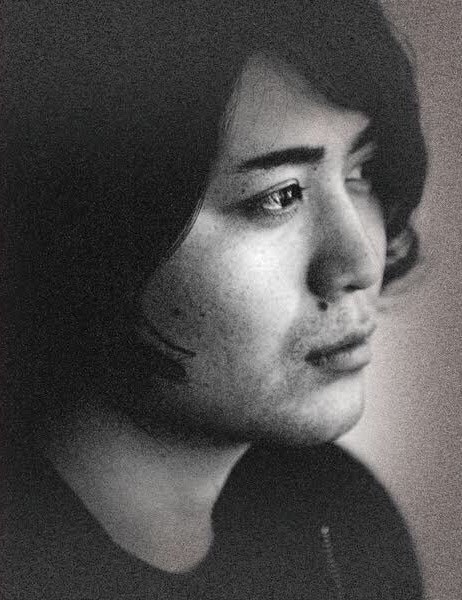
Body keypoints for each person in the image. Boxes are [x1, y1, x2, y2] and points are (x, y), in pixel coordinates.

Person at [1, 0, 427, 598]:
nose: (359, 263)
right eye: (277, 196)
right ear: (85, 229)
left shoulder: (342, 515)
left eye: (361, 172)